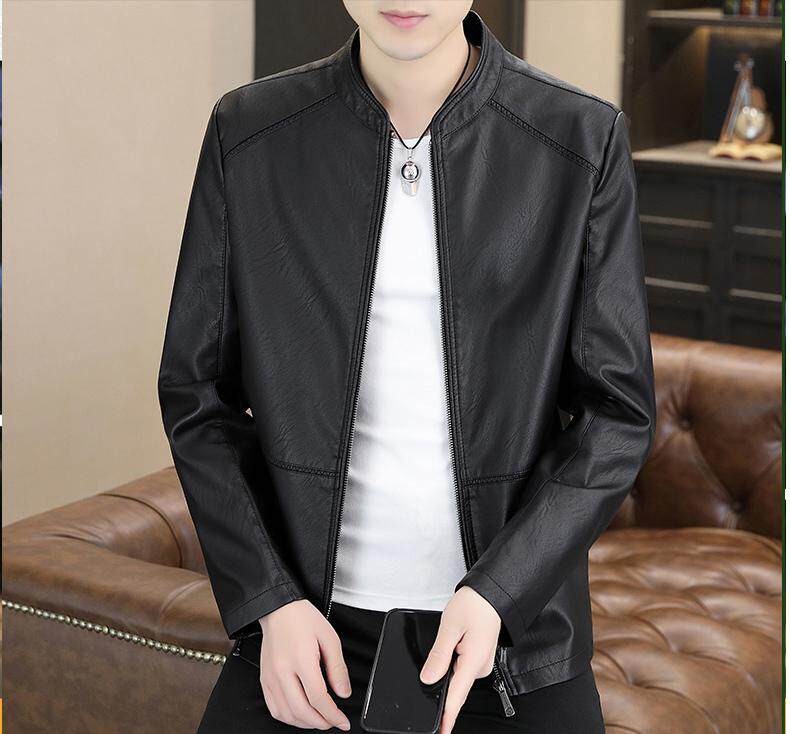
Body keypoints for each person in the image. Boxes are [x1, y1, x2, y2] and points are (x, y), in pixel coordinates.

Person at [158, 2, 656, 733]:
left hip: (507, 638)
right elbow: (197, 392)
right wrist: (269, 599)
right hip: (306, 632)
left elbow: (617, 415)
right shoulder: (251, 132)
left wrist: (500, 590)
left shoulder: (579, 138)